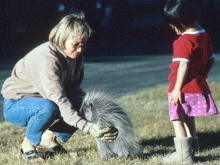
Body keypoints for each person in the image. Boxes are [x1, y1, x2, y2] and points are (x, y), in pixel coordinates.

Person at [1, 12, 118, 163]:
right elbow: (58, 99)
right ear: (62, 39)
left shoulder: (76, 56)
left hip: (46, 100)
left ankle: (49, 138)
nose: (80, 49)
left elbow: (74, 91)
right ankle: (27, 145)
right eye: (75, 44)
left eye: (83, 44)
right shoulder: (46, 60)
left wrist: (93, 115)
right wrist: (86, 127)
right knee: (48, 108)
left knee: (84, 102)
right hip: (17, 104)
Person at [162, 0, 218, 164]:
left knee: (177, 119)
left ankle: (184, 156)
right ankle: (192, 148)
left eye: (173, 25)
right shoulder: (204, 35)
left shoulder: (183, 42)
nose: (173, 29)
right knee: (189, 117)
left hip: (181, 88)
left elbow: (183, 65)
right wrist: (202, 75)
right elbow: (211, 59)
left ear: (180, 22)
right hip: (197, 87)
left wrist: (177, 89)